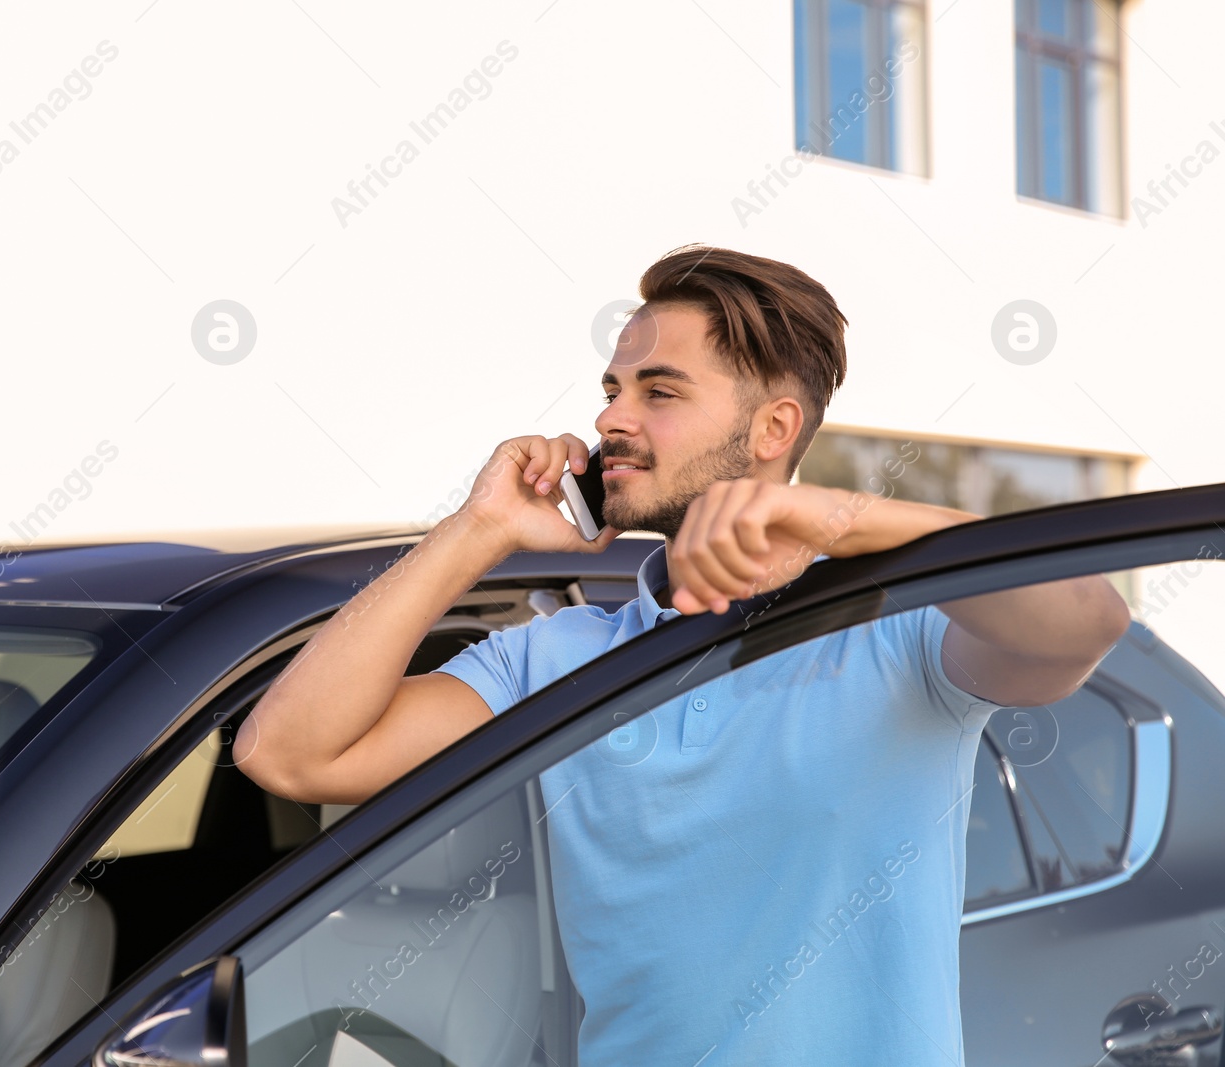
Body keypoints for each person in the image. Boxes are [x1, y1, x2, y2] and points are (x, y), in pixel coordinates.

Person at [234, 244, 1130, 1063]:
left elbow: (1086, 620)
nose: (610, 418)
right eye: (612, 388)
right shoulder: (556, 659)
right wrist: (478, 529)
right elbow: (289, 752)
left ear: (775, 429)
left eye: (658, 393)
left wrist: (834, 518)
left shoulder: (899, 629)